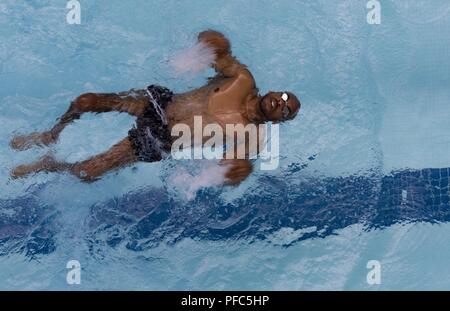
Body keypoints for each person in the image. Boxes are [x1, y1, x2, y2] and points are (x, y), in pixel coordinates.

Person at [10, 30, 300, 185]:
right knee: (85, 101)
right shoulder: (242, 79)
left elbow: (232, 164)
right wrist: (211, 44)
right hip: (159, 103)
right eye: (284, 97)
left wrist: (234, 172)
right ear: (275, 91)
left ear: (279, 121)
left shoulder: (251, 136)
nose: (281, 103)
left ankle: (49, 166)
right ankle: (51, 134)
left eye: (286, 110)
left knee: (87, 172)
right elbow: (217, 51)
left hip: (159, 140)